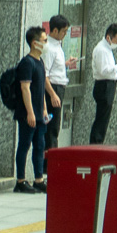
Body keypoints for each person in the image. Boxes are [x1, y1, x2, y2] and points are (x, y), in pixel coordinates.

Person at [12, 26, 53, 193]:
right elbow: (25, 88)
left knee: (39, 145)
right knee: (24, 145)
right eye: (44, 40)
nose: (46, 43)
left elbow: (41, 87)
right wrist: (30, 112)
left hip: (39, 113)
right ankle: (20, 181)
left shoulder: (40, 62)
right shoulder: (27, 63)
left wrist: (43, 108)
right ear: (35, 43)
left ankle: (38, 179)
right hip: (27, 113)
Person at [88, 24, 117, 145]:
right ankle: (96, 143)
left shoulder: (107, 49)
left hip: (108, 85)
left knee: (104, 118)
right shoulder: (101, 50)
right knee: (101, 118)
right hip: (103, 85)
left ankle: (98, 142)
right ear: (108, 37)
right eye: (116, 40)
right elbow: (103, 70)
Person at [42, 15, 76, 152]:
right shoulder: (49, 48)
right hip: (53, 88)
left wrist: (66, 64)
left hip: (58, 86)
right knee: (52, 128)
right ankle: (48, 163)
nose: (65, 34)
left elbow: (54, 68)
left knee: (55, 126)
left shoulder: (57, 46)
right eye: (63, 31)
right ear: (55, 30)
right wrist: (52, 94)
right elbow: (45, 74)